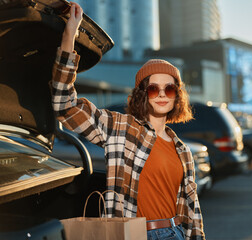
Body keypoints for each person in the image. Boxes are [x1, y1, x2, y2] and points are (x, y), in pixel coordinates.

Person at [51, 2, 205, 240]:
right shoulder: (122, 129)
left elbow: (193, 212)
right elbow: (65, 105)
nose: (163, 94)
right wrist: (70, 34)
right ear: (143, 94)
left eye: (170, 88)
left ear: (178, 95)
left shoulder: (183, 151)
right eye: (154, 89)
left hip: (176, 233)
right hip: (134, 235)